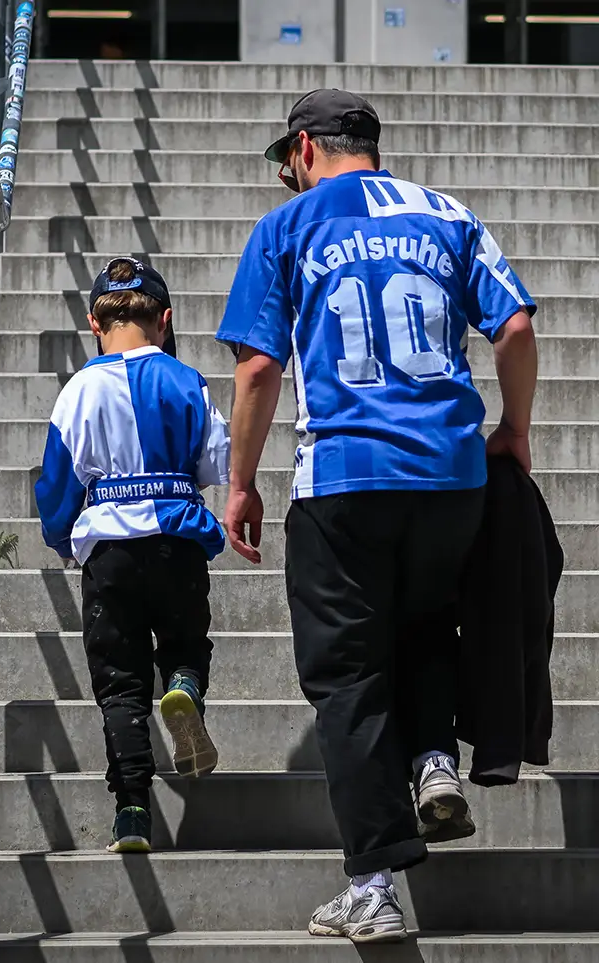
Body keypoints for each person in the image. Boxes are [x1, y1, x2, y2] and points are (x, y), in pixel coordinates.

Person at [216, 89, 537, 942]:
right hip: (451, 471)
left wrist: (240, 482)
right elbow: (513, 324)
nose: (289, 177)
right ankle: (436, 763)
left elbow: (255, 371)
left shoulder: (287, 229)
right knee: (428, 624)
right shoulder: (445, 213)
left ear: (306, 149)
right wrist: (515, 428)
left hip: (344, 479)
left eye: (288, 164)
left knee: (348, 676)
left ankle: (374, 882)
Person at [36, 257, 230, 853]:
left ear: (94, 323)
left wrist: (64, 535)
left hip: (110, 548)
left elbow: (56, 486)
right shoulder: (188, 380)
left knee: (120, 683)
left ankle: (133, 811)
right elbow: (213, 462)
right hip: (176, 538)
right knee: (185, 641)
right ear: (165, 321)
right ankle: (184, 687)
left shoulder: (78, 391)